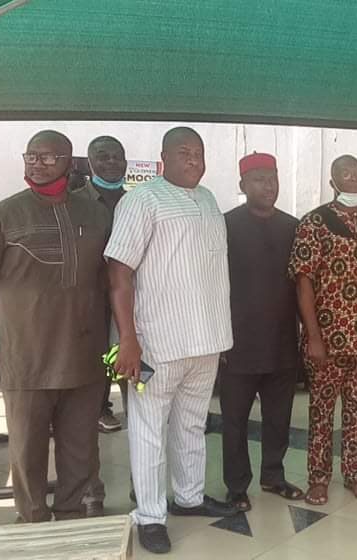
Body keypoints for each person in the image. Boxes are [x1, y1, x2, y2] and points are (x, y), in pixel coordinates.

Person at [0, 130, 111, 523]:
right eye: (31, 156)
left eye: (48, 157)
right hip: (27, 357)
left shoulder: (96, 215)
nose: (37, 164)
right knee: (27, 449)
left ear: (69, 162)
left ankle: (71, 515)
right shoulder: (3, 215)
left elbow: (113, 275)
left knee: (80, 449)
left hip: (84, 354)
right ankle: (33, 519)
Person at [106, 127, 236, 555]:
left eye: (199, 152)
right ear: (163, 158)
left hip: (206, 340)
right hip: (157, 343)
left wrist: (217, 335)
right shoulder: (141, 200)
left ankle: (189, 497)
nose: (194, 160)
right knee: (149, 431)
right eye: (184, 152)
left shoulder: (209, 199)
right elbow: (119, 274)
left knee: (192, 424)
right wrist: (128, 340)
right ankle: (149, 515)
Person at [289, 154, 357, 506]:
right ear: (333, 183)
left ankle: (356, 476)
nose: (354, 178)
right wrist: (313, 336)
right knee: (321, 412)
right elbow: (303, 281)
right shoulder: (314, 222)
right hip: (327, 339)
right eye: (346, 174)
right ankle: (318, 479)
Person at [220, 152, 304, 512]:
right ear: (242, 185)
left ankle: (273, 475)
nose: (268, 186)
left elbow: (303, 285)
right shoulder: (225, 225)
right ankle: (237, 486)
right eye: (258, 179)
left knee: (278, 418)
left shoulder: (293, 227)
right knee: (234, 421)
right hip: (237, 343)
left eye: (272, 178)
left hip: (282, 341)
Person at [74, 135, 129, 517]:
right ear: (89, 162)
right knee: (86, 409)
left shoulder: (136, 202)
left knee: (139, 402)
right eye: (102, 156)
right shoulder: (74, 202)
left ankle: (146, 489)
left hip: (130, 317)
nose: (111, 162)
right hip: (89, 318)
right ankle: (90, 493)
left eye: (117, 156)